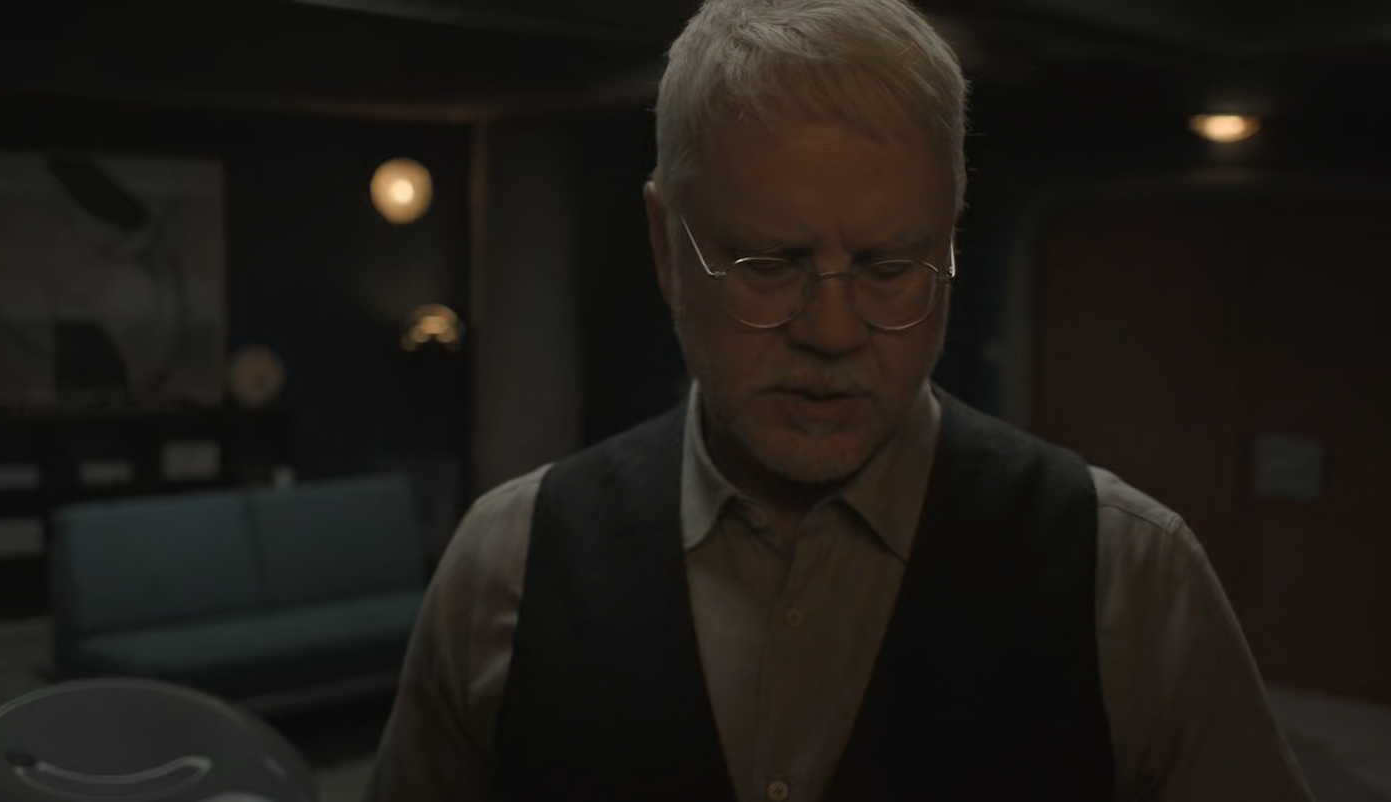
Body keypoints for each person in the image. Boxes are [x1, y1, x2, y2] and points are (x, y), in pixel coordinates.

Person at [370, 1, 1316, 800]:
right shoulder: (504, 566)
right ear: (665, 246)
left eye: (891, 266)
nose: (832, 332)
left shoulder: (1132, 578)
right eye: (768, 264)